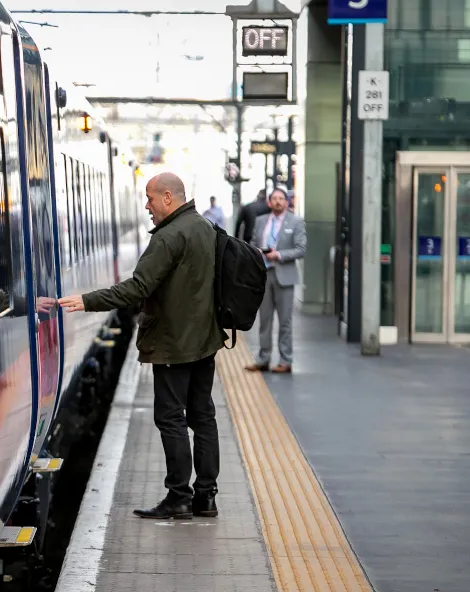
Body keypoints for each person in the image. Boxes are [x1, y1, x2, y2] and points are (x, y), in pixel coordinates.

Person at [58, 172, 225, 520]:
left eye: (150, 198)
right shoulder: (205, 228)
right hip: (205, 340)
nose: (147, 206)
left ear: (168, 197)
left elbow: (137, 288)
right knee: (203, 416)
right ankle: (206, 497)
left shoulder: (168, 236)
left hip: (173, 343)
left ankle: (179, 496)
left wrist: (86, 301)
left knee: (170, 417)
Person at [245, 186, 306, 374]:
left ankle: (285, 361)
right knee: (264, 320)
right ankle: (263, 359)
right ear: (269, 202)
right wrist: (256, 252)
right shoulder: (261, 221)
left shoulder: (296, 221)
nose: (278, 201)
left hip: (284, 276)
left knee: (285, 322)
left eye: (281, 198)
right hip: (264, 275)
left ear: (286, 202)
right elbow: (253, 243)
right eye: (275, 199)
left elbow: (301, 249)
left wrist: (278, 254)